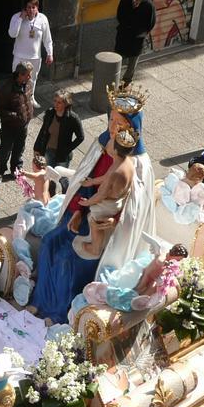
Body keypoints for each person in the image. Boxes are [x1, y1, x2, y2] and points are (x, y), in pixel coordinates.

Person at [31, 84, 154, 324]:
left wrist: (113, 220)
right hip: (82, 213)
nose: (112, 128)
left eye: (120, 125)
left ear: (133, 129)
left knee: (69, 261)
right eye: (111, 121)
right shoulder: (102, 145)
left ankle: (58, 313)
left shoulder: (138, 164)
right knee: (49, 242)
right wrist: (77, 211)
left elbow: (134, 210)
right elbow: (85, 182)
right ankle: (40, 299)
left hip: (107, 231)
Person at [72, 126, 139, 259]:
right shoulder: (126, 162)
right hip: (117, 200)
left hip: (107, 204)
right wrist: (92, 182)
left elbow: (101, 194)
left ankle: (95, 248)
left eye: (110, 141)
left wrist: (87, 203)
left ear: (114, 150)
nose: (107, 142)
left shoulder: (115, 172)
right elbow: (106, 177)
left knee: (95, 220)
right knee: (96, 219)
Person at [32, 89, 84, 185]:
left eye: (59, 102)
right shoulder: (50, 113)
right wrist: (37, 148)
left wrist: (67, 149)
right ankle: (50, 195)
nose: (56, 104)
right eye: (55, 101)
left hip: (62, 155)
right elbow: (43, 131)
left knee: (62, 179)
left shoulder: (72, 118)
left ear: (66, 104)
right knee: (49, 176)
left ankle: (66, 196)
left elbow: (81, 137)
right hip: (48, 151)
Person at [8, 0, 53, 107]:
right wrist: (20, 19)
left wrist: (50, 53)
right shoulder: (16, 17)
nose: (31, 10)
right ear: (25, 8)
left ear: (37, 8)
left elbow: (47, 38)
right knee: (16, 79)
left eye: (33, 7)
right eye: (28, 7)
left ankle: (30, 99)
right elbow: (12, 34)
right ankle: (16, 100)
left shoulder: (43, 19)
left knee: (32, 79)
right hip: (19, 56)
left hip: (35, 57)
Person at [0, 63, 34, 182]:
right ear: (20, 75)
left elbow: (29, 98)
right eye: (28, 75)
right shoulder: (6, 89)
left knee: (19, 148)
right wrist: (16, 116)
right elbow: (0, 109)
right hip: (10, 126)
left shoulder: (28, 84)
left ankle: (16, 169)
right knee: (5, 149)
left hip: (24, 124)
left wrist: (28, 113)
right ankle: (0, 172)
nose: (30, 77)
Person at [114, 0, 156, 85]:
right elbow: (119, 16)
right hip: (124, 36)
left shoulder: (148, 5)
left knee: (132, 63)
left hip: (137, 39)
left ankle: (126, 83)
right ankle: (113, 81)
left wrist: (141, 33)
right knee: (117, 59)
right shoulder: (125, 1)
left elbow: (151, 23)